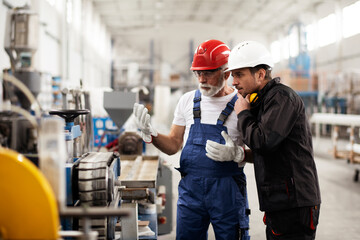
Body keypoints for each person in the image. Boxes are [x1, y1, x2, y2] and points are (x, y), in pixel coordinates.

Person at [133, 39, 251, 240]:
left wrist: (238, 154)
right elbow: (173, 144)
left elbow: (263, 150)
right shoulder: (187, 101)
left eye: (208, 73)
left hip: (228, 192)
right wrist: (152, 134)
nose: (201, 79)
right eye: (198, 72)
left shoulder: (242, 104)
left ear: (227, 73)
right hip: (191, 192)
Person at [211, 40, 321, 240]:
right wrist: (240, 153)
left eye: (239, 74)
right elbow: (270, 149)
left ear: (260, 74)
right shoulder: (262, 101)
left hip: (295, 203)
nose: (233, 82)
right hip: (279, 202)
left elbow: (264, 141)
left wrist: (243, 114)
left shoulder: (281, 98)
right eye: (233, 75)